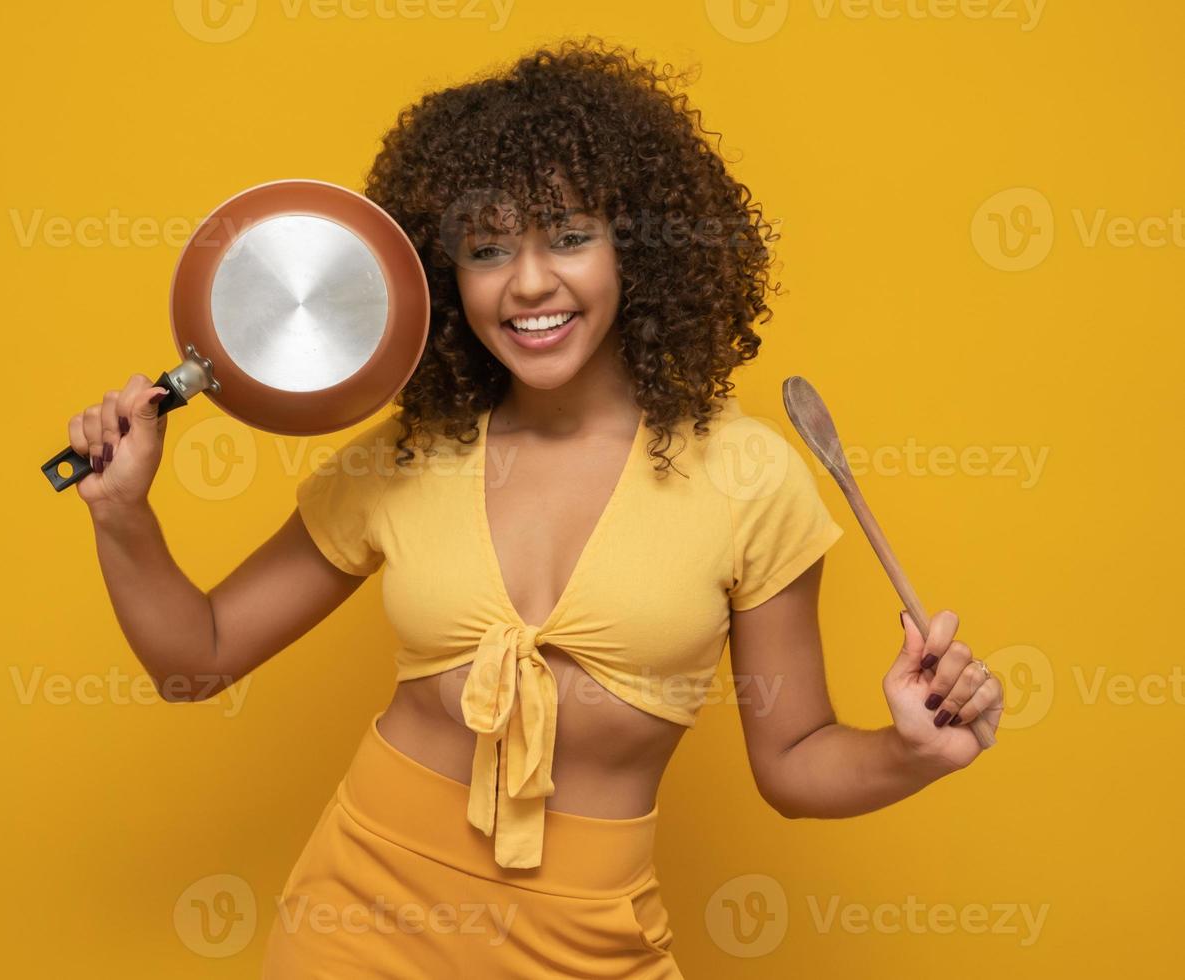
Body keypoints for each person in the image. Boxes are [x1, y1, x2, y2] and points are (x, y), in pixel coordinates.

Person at [65, 36, 1004, 979]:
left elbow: (795, 763)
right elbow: (196, 661)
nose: (528, 283)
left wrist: (911, 750)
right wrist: (122, 513)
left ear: (633, 245)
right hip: (358, 919)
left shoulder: (752, 480)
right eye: (485, 249)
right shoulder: (404, 455)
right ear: (441, 279)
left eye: (568, 236)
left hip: (591, 936)